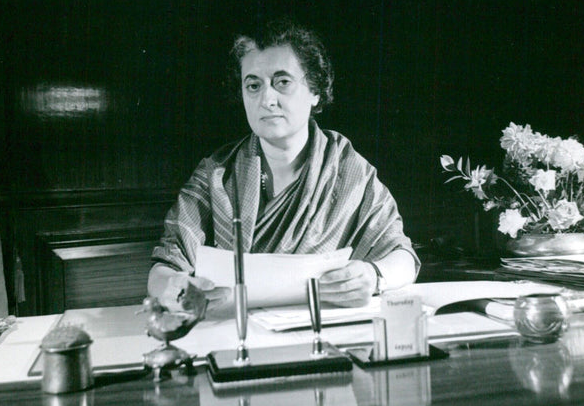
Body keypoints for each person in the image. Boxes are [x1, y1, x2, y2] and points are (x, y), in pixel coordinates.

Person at [148, 18, 419, 315]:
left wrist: (373, 276)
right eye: (253, 85)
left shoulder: (349, 170)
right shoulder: (216, 174)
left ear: (315, 91)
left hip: (323, 332)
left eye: (282, 82)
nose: (267, 99)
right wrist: (176, 286)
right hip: (233, 332)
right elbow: (165, 265)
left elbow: (403, 257)